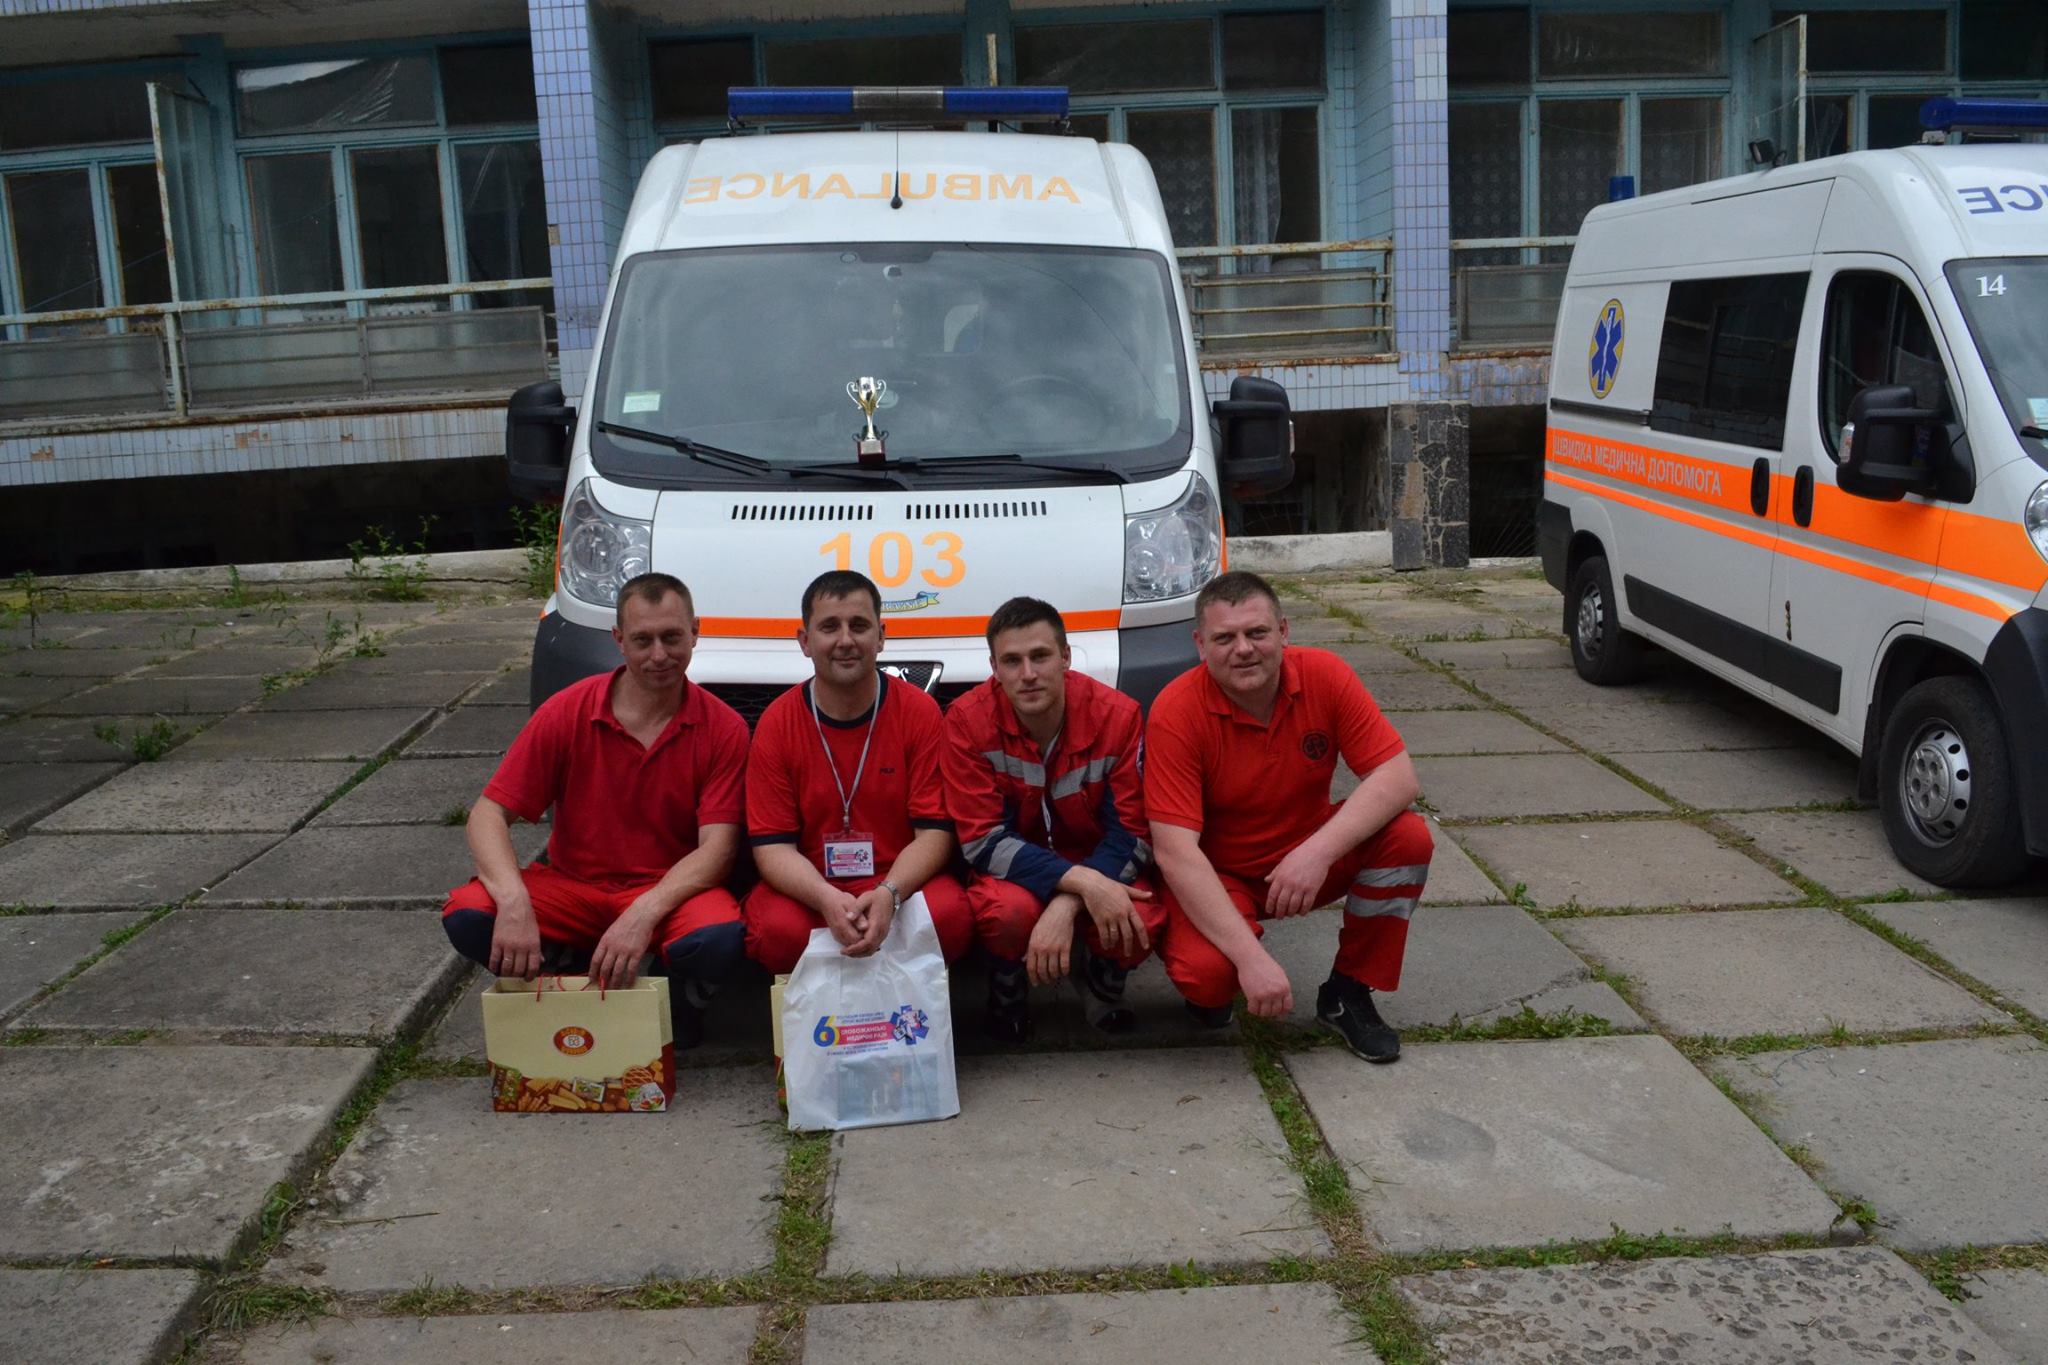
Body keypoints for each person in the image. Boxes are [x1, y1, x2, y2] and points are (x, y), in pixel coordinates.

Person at [440, 572, 750, 1046]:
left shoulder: (724, 728)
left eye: (671, 637)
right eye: (642, 640)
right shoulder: (567, 711)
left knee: (721, 937)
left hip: (666, 892)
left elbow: (719, 850)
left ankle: (677, 1002)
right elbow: (487, 814)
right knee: (468, 913)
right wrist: (513, 899)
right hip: (573, 887)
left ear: (695, 633)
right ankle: (560, 969)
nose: (659, 655)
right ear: (619, 640)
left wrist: (644, 912)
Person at [1145, 570, 1433, 1062]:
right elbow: (1174, 852)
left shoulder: (1326, 674)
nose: (1243, 649)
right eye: (1225, 638)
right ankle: (1217, 988)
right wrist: (1250, 959)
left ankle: (1347, 992)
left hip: (1303, 861)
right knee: (1209, 977)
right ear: (1200, 645)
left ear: (1283, 631)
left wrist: (1316, 853)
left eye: (1257, 632)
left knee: (1408, 838)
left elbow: (1398, 778)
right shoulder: (1176, 710)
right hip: (1220, 875)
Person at [943, 597, 1161, 1042]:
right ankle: (1007, 987)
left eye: (1040, 656)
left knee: (1143, 915)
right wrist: (1081, 884)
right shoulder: (966, 722)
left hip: (1095, 858)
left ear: (1065, 657)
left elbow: (1134, 833)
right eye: (1012, 661)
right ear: (994, 668)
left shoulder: (1118, 716)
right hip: (1015, 871)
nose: (1028, 674)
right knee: (1006, 914)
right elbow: (982, 841)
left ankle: (1101, 980)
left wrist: (1070, 900)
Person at [741, 570, 973, 973]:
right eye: (830, 627)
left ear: (881, 637)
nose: (845, 640)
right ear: (805, 641)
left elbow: (935, 835)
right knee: (774, 930)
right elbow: (773, 848)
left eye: (859, 626)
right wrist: (825, 898)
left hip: (895, 882)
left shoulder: (919, 712)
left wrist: (889, 894)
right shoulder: (777, 722)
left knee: (949, 916)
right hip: (813, 888)